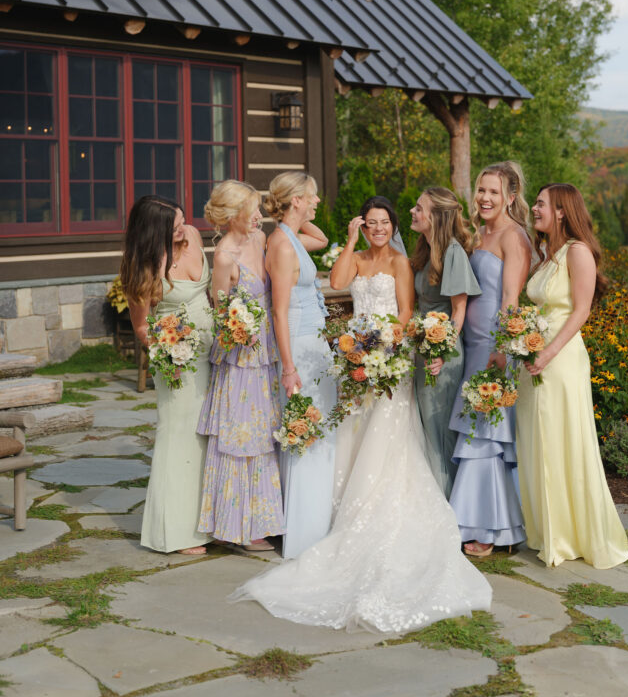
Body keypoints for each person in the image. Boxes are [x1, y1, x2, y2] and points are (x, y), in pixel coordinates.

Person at [231, 195, 492, 632]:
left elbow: (407, 312)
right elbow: (337, 277)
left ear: (393, 226)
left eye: (384, 223)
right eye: (370, 223)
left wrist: (382, 349)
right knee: (352, 436)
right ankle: (341, 518)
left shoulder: (401, 263)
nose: (378, 229)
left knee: (387, 440)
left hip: (388, 360)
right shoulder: (358, 253)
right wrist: (349, 240)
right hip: (356, 360)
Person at [516, 183, 628, 569]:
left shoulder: (577, 252)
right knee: (538, 442)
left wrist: (547, 352)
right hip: (533, 359)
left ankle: (573, 535)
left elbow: (581, 311)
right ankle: (548, 531)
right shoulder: (547, 256)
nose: (534, 208)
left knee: (562, 439)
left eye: (541, 203)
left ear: (562, 210)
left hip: (561, 359)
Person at [449, 161, 532, 557]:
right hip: (471, 345)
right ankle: (473, 520)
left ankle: (488, 529)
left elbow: (511, 299)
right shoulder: (481, 233)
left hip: (493, 349)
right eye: (481, 190)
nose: (484, 197)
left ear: (511, 197)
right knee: (475, 432)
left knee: (488, 438)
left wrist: (502, 350)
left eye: (493, 192)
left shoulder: (513, 237)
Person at [121, 195, 212, 556]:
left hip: (213, 352)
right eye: (174, 226)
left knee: (208, 437)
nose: (183, 228)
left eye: (183, 220)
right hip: (177, 361)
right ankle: (177, 532)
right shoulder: (142, 267)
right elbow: (142, 327)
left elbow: (211, 294)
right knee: (179, 438)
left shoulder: (192, 235)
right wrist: (171, 351)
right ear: (154, 231)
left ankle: (210, 521)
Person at [196, 180, 284, 553]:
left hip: (265, 355)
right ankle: (238, 526)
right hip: (240, 361)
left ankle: (265, 519)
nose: (259, 217)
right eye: (253, 211)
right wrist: (239, 330)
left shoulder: (260, 240)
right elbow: (220, 311)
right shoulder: (224, 256)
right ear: (233, 215)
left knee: (264, 437)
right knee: (240, 441)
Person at [263, 171, 337, 560]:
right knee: (306, 431)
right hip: (300, 348)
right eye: (311, 197)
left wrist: (292, 211)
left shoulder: (289, 238)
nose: (317, 203)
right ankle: (305, 531)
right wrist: (289, 367)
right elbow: (279, 311)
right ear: (295, 201)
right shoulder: (283, 245)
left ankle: (311, 522)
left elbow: (320, 237)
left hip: (313, 345)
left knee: (315, 431)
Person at [410, 187, 480, 498]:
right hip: (424, 351)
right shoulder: (425, 250)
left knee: (441, 434)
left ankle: (450, 507)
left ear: (436, 216)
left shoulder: (452, 253)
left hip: (443, 356)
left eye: (419, 208)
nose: (413, 211)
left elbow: (459, 309)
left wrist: (440, 352)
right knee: (428, 431)